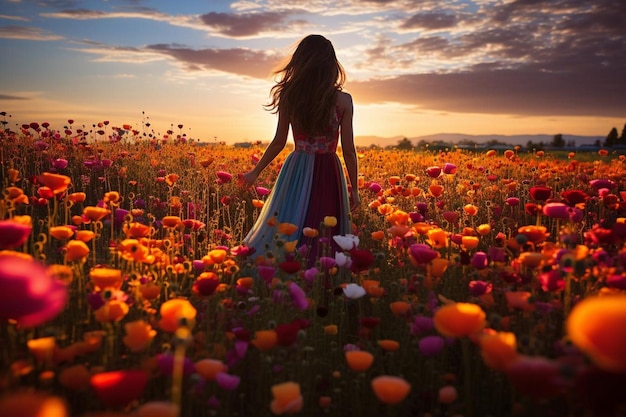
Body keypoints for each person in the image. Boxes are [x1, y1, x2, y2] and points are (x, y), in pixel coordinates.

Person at [240, 34, 360, 265]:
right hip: (328, 169)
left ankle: (289, 266)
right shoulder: (343, 100)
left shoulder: (290, 96)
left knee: (292, 218)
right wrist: (354, 188)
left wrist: (255, 172)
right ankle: (322, 272)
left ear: (300, 62)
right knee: (325, 227)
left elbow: (279, 141)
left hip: (297, 166)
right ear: (330, 64)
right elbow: (349, 150)